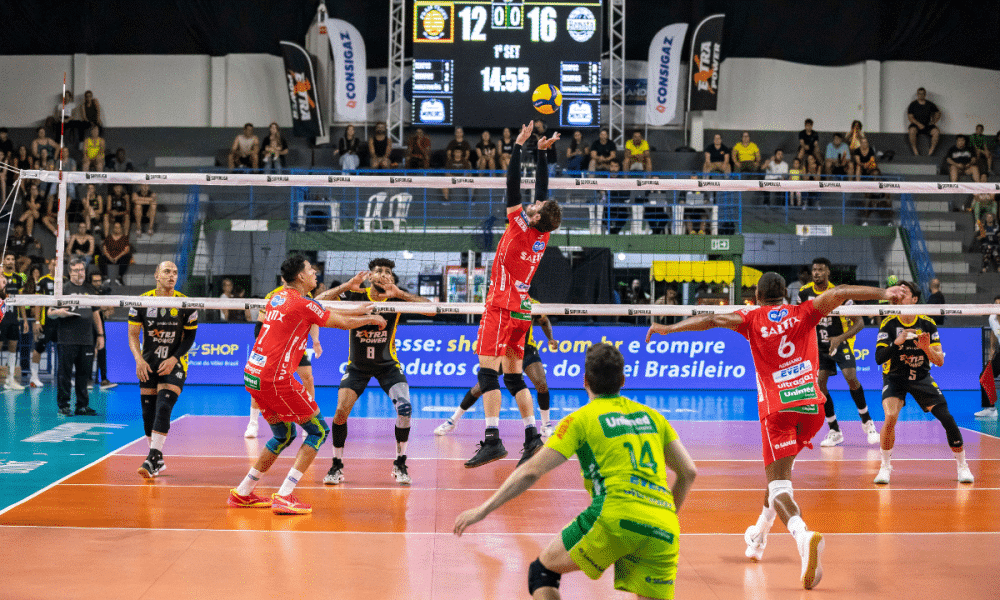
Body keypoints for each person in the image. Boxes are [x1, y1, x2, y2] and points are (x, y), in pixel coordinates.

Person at [648, 271, 899, 590]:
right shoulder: (805, 310)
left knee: (779, 484)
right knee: (780, 474)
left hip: (778, 411)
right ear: (786, 293)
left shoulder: (750, 316)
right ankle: (758, 537)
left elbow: (710, 319)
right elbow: (844, 291)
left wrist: (668, 328)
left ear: (755, 294)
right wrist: (885, 292)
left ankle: (802, 535)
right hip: (812, 409)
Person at [453, 344, 697, 600]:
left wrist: (483, 510)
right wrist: (662, 515)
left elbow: (530, 471)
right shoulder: (654, 417)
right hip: (663, 524)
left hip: (614, 516)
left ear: (585, 381)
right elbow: (688, 472)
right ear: (623, 380)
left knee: (542, 572)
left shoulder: (580, 419)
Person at [227, 255, 385, 515]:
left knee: (283, 435)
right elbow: (340, 322)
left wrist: (353, 299)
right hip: (275, 379)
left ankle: (243, 492)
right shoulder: (302, 304)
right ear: (301, 276)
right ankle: (285, 495)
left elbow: (316, 307)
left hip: (253, 374)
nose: (315, 274)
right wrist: (370, 319)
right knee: (319, 431)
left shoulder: (278, 297)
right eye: (311, 270)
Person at [465, 122, 562, 469]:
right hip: (522, 309)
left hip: (502, 306)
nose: (532, 206)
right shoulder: (543, 234)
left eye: (535, 208)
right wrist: (542, 153)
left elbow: (512, 185)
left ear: (535, 217)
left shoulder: (520, 225)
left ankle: (492, 439)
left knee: (486, 373)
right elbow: (543, 191)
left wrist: (520, 147)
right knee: (513, 376)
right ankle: (532, 435)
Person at [323, 260, 434, 486]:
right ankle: (336, 465)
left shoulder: (397, 298)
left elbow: (431, 309)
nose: (383, 275)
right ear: (370, 276)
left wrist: (401, 294)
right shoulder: (356, 295)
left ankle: (400, 463)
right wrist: (346, 286)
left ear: (392, 279)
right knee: (340, 412)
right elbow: (317, 303)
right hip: (357, 367)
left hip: (388, 366)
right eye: (378, 271)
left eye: (388, 273)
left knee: (405, 409)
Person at [874, 280, 974, 485]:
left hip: (921, 377)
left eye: (905, 293)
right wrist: (896, 343)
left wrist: (926, 348)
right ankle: (885, 466)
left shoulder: (927, 322)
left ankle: (962, 465)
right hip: (895, 377)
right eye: (898, 293)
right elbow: (878, 358)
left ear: (915, 299)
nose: (900, 296)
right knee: (891, 416)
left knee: (946, 417)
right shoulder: (888, 323)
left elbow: (940, 360)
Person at [435, 298, 559, 437]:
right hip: (504, 349)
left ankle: (545, 425)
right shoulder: (500, 301)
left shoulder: (533, 303)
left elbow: (544, 321)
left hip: (526, 349)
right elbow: (490, 325)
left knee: (541, 383)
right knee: (479, 387)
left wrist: (550, 338)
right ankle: (453, 421)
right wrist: (483, 343)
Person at [799, 257, 880, 447]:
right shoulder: (804, 293)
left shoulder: (839, 294)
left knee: (851, 377)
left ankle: (867, 423)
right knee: (820, 386)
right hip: (819, 345)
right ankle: (834, 430)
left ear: (828, 272)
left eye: (821, 269)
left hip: (840, 341)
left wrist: (839, 338)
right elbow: (802, 319)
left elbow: (859, 323)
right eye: (814, 270)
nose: (817, 273)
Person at [128, 262, 198, 478]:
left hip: (174, 363)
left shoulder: (186, 303)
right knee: (147, 413)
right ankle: (157, 459)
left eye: (175, 272)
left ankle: (152, 458)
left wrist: (174, 358)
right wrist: (139, 360)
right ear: (156, 275)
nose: (172, 276)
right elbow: (132, 334)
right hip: (149, 362)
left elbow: (190, 338)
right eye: (167, 272)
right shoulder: (142, 301)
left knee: (164, 405)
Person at [46, 258, 104, 416]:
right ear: (70, 272)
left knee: (84, 373)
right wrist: (59, 313)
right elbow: (49, 313)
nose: (80, 273)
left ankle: (82, 405)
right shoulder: (63, 289)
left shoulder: (90, 289)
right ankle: (64, 405)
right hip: (67, 338)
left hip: (86, 338)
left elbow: (96, 313)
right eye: (77, 270)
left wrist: (100, 334)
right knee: (64, 373)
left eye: (82, 270)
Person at [29, 257, 58, 389]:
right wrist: (36, 321)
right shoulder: (43, 281)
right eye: (53, 264)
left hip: (61, 323)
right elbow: (37, 302)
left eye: (58, 264)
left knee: (65, 350)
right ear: (49, 267)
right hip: (45, 323)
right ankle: (34, 377)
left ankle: (65, 377)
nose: (56, 266)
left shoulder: (64, 280)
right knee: (39, 348)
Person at [0, 253, 26, 390]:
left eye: (12, 259)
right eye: (8, 259)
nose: (10, 261)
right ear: (3, 261)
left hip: (13, 319)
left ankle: (10, 379)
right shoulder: (0, 277)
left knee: (13, 348)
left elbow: (21, 301)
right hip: (1, 318)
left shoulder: (18, 278)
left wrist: (25, 320)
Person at [89, 271, 116, 390]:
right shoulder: (87, 292)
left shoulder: (104, 293)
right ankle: (87, 380)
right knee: (88, 353)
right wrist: (100, 308)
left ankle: (104, 380)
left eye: (99, 280)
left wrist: (106, 311)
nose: (97, 283)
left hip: (100, 326)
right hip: (87, 326)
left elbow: (111, 311)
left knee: (101, 352)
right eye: (95, 281)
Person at [974, 295, 1000, 420]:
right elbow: (994, 332)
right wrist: (992, 349)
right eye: (996, 304)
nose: (997, 307)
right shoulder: (992, 318)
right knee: (985, 375)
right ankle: (990, 409)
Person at [907, 87, 941, 156]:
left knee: (936, 132)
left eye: (923, 94)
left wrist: (934, 121)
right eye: (919, 94)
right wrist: (918, 124)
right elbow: (910, 117)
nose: (921, 95)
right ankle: (914, 149)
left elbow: (938, 113)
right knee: (911, 130)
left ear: (925, 95)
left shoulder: (930, 104)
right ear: (917, 94)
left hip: (927, 125)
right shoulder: (913, 104)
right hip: (916, 125)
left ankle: (931, 150)